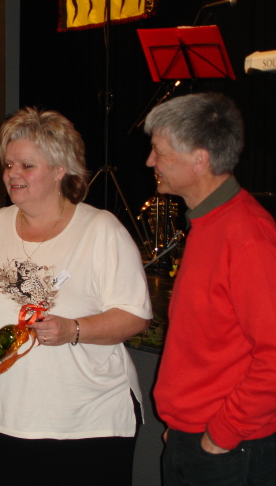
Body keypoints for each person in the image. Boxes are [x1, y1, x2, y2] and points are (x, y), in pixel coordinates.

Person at [0, 107, 152, 485]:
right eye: (9, 165)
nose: (13, 174)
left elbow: (135, 316)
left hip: (83, 427)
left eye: (27, 166)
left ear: (60, 170)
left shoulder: (100, 230)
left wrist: (73, 329)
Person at [145, 92, 276, 485]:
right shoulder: (208, 221)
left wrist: (218, 436)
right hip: (195, 438)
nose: (150, 162)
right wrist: (183, 428)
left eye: (159, 152)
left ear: (199, 160)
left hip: (229, 450)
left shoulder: (248, 235)